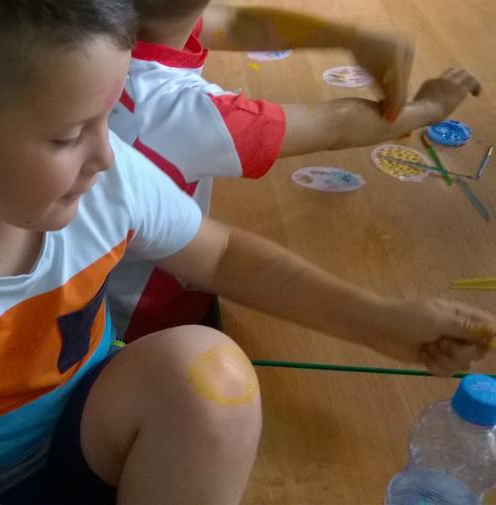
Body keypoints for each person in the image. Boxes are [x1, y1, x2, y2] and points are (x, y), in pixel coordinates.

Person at [0, 2, 495, 503]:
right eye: (68, 135)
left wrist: (382, 322)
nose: (108, 155)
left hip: (88, 432)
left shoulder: (104, 175)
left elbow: (223, 256)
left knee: (210, 369)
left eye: (109, 116)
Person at [108, 0, 482, 340]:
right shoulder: (189, 115)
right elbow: (338, 126)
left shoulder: (102, 23)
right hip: (143, 321)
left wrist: (353, 37)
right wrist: (430, 108)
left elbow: (236, 22)